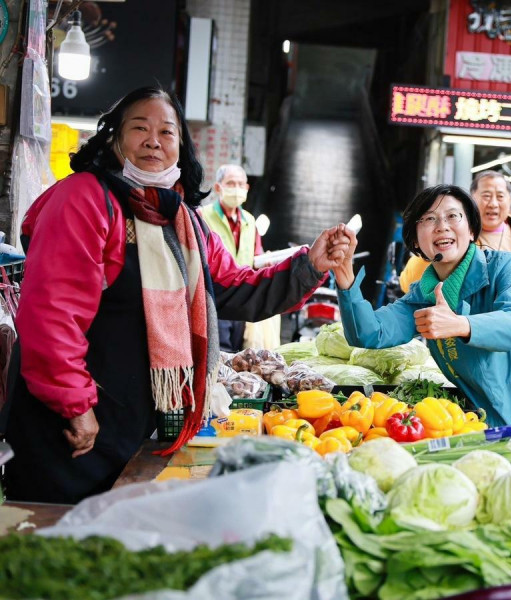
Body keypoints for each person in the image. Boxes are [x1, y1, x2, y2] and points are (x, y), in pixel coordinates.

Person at [1, 87, 349, 504]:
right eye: (139, 128)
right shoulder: (84, 199)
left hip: (128, 427)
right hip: (71, 428)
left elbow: (234, 287)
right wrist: (75, 405)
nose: (154, 140)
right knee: (52, 548)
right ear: (114, 138)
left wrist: (309, 264)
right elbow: (51, 315)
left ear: (181, 147)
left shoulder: (182, 220)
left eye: (167, 132)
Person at [332, 184, 511, 546]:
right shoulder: (421, 298)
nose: (442, 226)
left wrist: (462, 324)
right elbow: (369, 333)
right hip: (504, 443)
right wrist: (345, 282)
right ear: (416, 243)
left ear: (470, 230)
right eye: (429, 220)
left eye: (453, 216)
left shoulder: (505, 266)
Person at [400, 171, 511, 337]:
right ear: (472, 199)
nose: (493, 203)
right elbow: (409, 284)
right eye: (486, 196)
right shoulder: (454, 236)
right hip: (461, 338)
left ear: (510, 199)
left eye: (500, 196)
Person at [200, 164, 281, 351]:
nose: (236, 188)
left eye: (240, 184)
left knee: (239, 351)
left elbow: (256, 256)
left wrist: (265, 262)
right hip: (214, 298)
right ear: (218, 187)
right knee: (219, 351)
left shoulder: (250, 221)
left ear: (246, 188)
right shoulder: (202, 216)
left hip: (241, 298)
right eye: (231, 183)